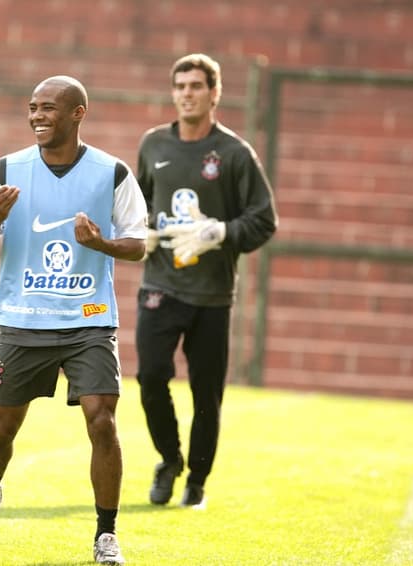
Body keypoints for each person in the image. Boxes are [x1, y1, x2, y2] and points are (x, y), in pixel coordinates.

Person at [0, 75, 148, 565]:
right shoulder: (8, 169)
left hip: (89, 318)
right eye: (32, 108)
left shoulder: (112, 173)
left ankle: (106, 536)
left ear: (77, 114)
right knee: (1, 429)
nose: (37, 116)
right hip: (24, 318)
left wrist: (102, 244)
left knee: (102, 421)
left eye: (48, 108)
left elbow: (139, 243)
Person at [134, 53, 277, 508]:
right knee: (151, 376)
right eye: (180, 86)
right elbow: (134, 207)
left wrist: (219, 233)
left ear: (215, 93)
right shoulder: (153, 144)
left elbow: (264, 220)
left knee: (206, 394)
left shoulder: (234, 154)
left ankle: (196, 479)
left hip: (213, 295)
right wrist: (143, 235)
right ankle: (169, 460)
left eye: (196, 86)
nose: (186, 94)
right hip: (160, 285)